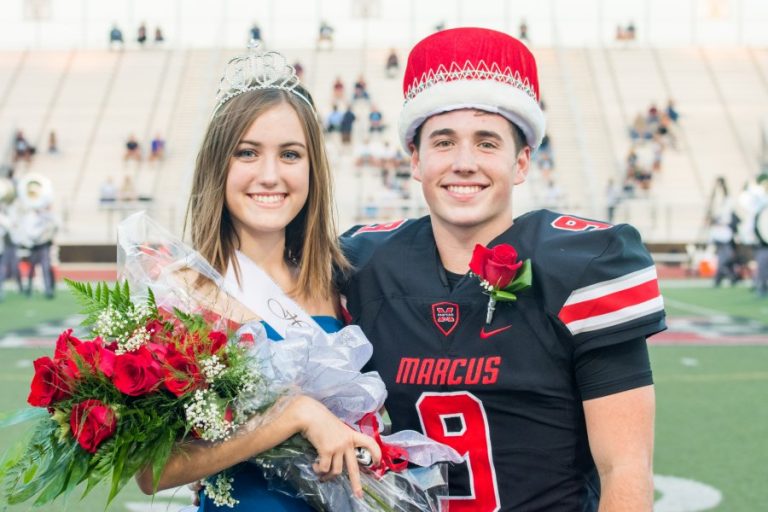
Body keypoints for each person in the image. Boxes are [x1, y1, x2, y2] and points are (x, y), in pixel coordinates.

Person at [339, 27, 662, 511]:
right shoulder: (365, 263)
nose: (464, 162)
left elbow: (625, 469)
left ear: (522, 161)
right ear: (414, 159)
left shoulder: (584, 266)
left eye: (487, 143)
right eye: (444, 142)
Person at [135, 43, 381, 510]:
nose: (270, 175)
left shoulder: (338, 283)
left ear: (313, 170)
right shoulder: (186, 291)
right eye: (247, 153)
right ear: (218, 165)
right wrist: (294, 416)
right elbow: (152, 471)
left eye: (290, 155)